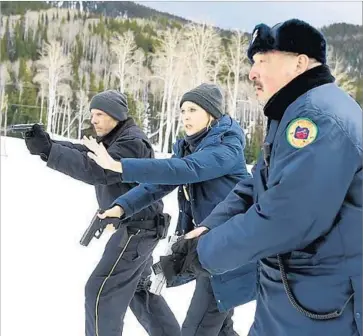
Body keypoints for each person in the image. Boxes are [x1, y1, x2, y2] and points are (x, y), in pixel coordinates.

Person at [178, 19, 362, 336]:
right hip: (292, 300)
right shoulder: (293, 112)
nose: (253, 72)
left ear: (299, 63)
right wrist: (210, 226)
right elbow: (256, 184)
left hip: (324, 307)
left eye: (263, 60)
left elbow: (287, 218)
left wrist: (205, 253)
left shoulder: (319, 118)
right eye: (253, 62)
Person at [83, 83, 257, 336]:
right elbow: (161, 183)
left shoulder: (225, 148)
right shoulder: (190, 146)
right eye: (183, 110)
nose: (185, 116)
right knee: (220, 330)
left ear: (212, 114)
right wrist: (121, 207)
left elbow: (186, 169)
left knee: (197, 329)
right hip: (208, 247)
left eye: (193, 109)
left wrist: (120, 166)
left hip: (229, 246)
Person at [24, 90, 180, 336]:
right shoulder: (116, 139)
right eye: (91, 114)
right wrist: (48, 145)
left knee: (100, 292)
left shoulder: (132, 142)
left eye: (99, 114)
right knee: (138, 291)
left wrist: (50, 151)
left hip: (137, 230)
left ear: (116, 115)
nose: (93, 120)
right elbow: (85, 152)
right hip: (140, 228)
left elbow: (97, 170)